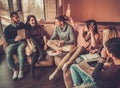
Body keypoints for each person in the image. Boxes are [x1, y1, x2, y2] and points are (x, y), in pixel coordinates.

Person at [49, 19, 99, 88]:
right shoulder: (82, 31)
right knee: (69, 53)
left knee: (81, 47)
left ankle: (68, 63)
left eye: (92, 26)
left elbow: (93, 47)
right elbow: (73, 23)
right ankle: (56, 71)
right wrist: (69, 16)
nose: (84, 26)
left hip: (85, 52)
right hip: (77, 49)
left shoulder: (96, 35)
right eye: (89, 26)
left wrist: (92, 33)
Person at [4, 12, 26, 80]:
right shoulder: (7, 29)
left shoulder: (22, 25)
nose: (18, 19)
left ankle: (21, 70)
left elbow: (29, 29)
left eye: (18, 17)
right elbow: (7, 40)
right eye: (16, 18)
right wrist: (14, 39)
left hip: (22, 42)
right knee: (8, 52)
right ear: (12, 18)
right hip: (13, 44)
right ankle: (15, 70)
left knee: (20, 50)